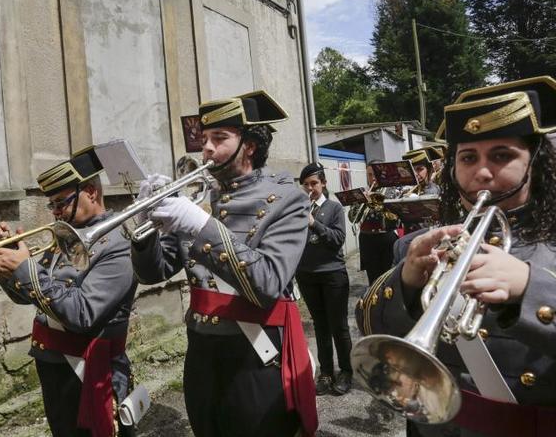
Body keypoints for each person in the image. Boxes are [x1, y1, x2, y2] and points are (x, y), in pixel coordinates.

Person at [356, 76, 556, 437]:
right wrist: (406, 283)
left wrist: (530, 288)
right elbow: (372, 336)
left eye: (502, 155)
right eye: (468, 157)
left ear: (535, 162)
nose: (483, 172)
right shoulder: (420, 244)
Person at [130, 91, 317, 437]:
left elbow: (267, 283)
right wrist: (144, 230)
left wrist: (199, 224)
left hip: (254, 356)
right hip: (201, 352)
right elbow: (154, 271)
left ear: (249, 145)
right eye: (204, 139)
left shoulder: (288, 200)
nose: (207, 149)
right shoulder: (200, 198)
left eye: (219, 138)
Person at [0, 147, 138, 437]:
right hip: (54, 365)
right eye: (51, 205)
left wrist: (25, 269)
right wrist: (7, 270)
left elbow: (83, 314)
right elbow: (36, 297)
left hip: (89, 368)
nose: (55, 212)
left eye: (61, 203)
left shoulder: (118, 243)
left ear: (90, 192)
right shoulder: (66, 235)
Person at [296, 162, 352, 396]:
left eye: (314, 184)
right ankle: (326, 372)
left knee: (338, 326)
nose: (310, 188)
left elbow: (337, 238)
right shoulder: (299, 209)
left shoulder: (333, 208)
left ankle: (347, 371)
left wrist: (313, 223)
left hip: (332, 274)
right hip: (307, 275)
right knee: (320, 326)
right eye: (306, 184)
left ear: (323, 184)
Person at [352, 163, 401, 285]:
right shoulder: (363, 192)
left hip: (386, 238)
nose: (373, 178)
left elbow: (397, 219)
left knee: (389, 277)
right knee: (373, 279)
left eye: (375, 174)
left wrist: (381, 203)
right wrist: (359, 202)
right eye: (369, 175)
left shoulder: (392, 191)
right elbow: (353, 218)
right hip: (367, 240)